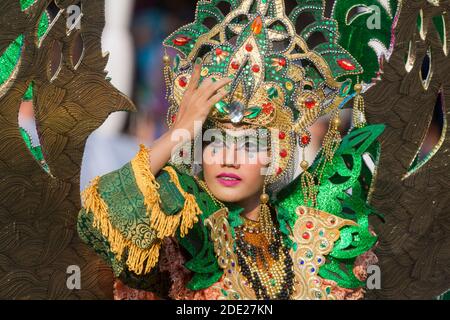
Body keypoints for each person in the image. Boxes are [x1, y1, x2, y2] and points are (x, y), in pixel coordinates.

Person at [77, 0, 383, 300]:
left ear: (276, 157)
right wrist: (178, 133)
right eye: (215, 143)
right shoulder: (182, 239)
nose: (228, 159)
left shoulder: (315, 238)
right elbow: (101, 216)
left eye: (249, 146)